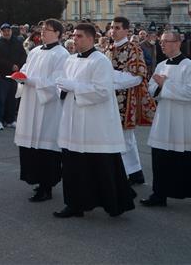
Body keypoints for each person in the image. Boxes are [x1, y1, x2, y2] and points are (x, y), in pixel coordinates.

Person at [54, 23, 135, 218]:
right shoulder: (70, 60)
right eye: (74, 35)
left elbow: (102, 91)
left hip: (94, 121)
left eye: (80, 36)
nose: (75, 39)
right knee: (73, 163)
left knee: (100, 163)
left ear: (91, 38)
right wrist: (63, 88)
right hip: (73, 118)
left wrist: (73, 86)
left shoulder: (100, 61)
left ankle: (114, 204)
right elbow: (62, 84)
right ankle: (74, 204)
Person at [141, 30, 191, 208]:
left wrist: (165, 85)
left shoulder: (189, 66)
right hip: (165, 117)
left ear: (178, 43)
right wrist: (158, 87)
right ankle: (159, 194)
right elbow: (151, 87)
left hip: (187, 119)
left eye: (166, 41)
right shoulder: (161, 65)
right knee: (162, 156)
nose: (162, 45)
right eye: (161, 42)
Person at [14, 19, 70, 203]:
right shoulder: (35, 51)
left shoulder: (62, 54)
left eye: (48, 30)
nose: (43, 32)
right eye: (43, 29)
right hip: (31, 102)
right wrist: (20, 76)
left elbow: (57, 82)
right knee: (31, 146)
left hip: (48, 107)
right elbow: (25, 69)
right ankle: (37, 181)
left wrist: (31, 81)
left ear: (59, 34)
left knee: (46, 147)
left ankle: (47, 187)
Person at [106, 16, 155, 186]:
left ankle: (127, 173)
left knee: (125, 137)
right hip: (109, 97)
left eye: (118, 27)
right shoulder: (109, 48)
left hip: (126, 98)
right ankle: (135, 172)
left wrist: (111, 81)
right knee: (121, 137)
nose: (113, 31)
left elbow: (138, 76)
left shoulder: (133, 48)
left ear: (127, 30)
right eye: (112, 27)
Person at [0, 23, 27, 130]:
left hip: (15, 76)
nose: (6, 32)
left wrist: (18, 66)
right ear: (2, 32)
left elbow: (23, 55)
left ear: (11, 31)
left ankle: (10, 120)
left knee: (12, 99)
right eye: (4, 31)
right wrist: (11, 65)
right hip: (2, 75)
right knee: (0, 99)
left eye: (8, 30)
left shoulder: (17, 42)